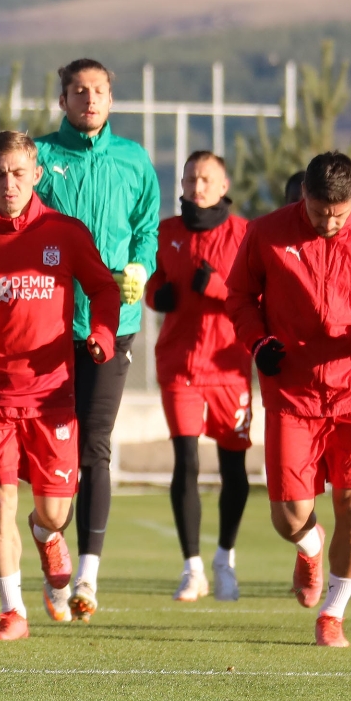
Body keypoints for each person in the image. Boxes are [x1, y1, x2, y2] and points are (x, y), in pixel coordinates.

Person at [0, 129, 121, 639]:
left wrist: (102, 334)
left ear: (36, 174)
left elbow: (104, 289)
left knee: (54, 513)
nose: (8, 184)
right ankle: (12, 611)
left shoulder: (65, 233)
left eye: (17, 173)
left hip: (52, 395)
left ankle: (45, 535)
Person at [225, 151, 351, 648]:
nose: (329, 223)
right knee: (288, 516)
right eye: (318, 212)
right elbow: (239, 297)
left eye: (339, 214)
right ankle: (310, 546)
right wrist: (258, 342)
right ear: (304, 196)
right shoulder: (266, 233)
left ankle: (333, 613)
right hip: (292, 393)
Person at [33, 58, 159, 619]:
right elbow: (8, 223)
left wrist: (140, 265)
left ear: (111, 98)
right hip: (46, 326)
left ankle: (86, 575)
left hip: (113, 324)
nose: (89, 99)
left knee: (94, 446)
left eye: (99, 91)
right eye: (79, 91)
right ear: (62, 100)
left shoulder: (133, 159)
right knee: (48, 448)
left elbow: (147, 228)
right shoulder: (38, 157)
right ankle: (49, 544)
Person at [144, 151, 251, 602]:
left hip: (229, 370)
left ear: (223, 186)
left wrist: (219, 289)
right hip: (180, 366)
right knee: (185, 461)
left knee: (233, 467)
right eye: (191, 179)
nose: (197, 186)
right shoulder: (166, 232)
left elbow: (258, 298)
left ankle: (225, 560)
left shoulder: (245, 234)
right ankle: (192, 569)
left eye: (206, 179)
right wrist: (157, 296)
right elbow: (150, 281)